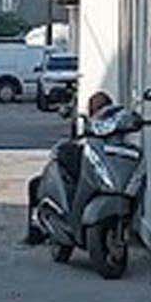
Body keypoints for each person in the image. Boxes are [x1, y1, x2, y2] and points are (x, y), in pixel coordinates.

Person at [25, 90, 116, 245]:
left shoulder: (98, 130)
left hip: (89, 178)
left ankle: (35, 231)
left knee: (36, 185)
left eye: (95, 108)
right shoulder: (112, 129)